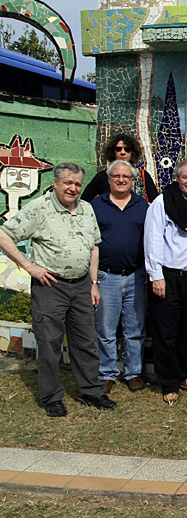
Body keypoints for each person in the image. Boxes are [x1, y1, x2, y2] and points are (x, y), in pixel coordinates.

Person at [0, 162, 116, 416]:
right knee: (50, 344)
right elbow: (3, 235)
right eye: (68, 183)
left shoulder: (86, 209)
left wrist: (94, 284)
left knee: (86, 342)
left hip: (83, 285)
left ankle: (92, 391)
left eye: (77, 184)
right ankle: (52, 397)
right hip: (50, 286)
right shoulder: (40, 208)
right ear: (55, 183)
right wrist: (29, 267)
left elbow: (94, 246)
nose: (73, 188)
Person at [145, 158, 187, 404]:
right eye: (185, 177)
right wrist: (156, 276)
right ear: (177, 178)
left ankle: (183, 374)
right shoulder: (162, 203)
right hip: (168, 276)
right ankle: (168, 382)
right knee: (166, 331)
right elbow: (152, 241)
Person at [90, 160, 149, 394]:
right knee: (106, 329)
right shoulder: (96, 205)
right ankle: (107, 373)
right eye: (116, 176)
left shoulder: (143, 206)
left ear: (133, 181)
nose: (121, 180)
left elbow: (150, 241)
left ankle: (133, 373)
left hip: (136, 276)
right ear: (109, 179)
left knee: (135, 329)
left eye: (126, 177)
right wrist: (93, 280)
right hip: (107, 277)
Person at [81, 134, 158, 203]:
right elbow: (84, 201)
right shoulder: (102, 176)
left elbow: (155, 202)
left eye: (127, 149)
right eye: (118, 149)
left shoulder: (142, 176)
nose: (123, 152)